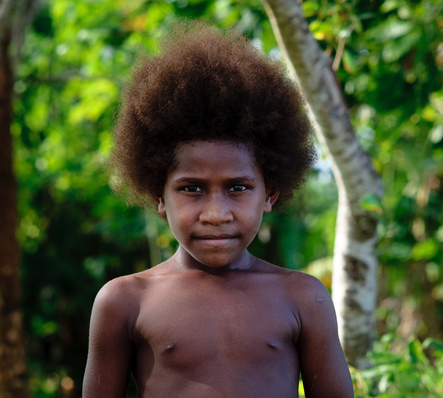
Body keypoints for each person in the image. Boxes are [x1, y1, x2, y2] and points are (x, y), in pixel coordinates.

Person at [82, 21, 354, 398]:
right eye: (191, 188)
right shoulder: (125, 301)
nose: (216, 213)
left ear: (270, 193)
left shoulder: (303, 298)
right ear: (159, 195)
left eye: (238, 188)